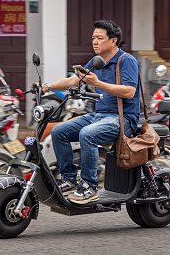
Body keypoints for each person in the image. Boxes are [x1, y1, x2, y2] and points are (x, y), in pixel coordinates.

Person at [41, 20, 140, 204]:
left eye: (100, 38)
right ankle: (69, 179)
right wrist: (47, 86)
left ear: (113, 41)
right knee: (58, 131)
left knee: (87, 134)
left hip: (123, 118)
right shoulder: (97, 61)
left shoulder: (126, 61)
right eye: (93, 38)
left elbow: (129, 91)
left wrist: (98, 84)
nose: (95, 41)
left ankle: (89, 186)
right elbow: (73, 81)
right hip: (100, 116)